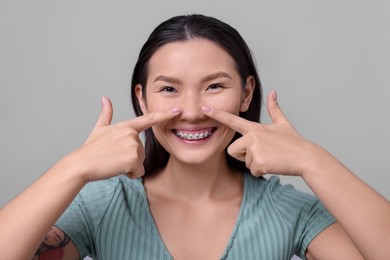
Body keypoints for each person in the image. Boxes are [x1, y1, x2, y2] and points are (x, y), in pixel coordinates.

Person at [0, 14, 389, 260]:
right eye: (169, 89)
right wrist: (74, 168)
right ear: (141, 96)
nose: (190, 110)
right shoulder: (101, 207)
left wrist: (312, 160)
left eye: (214, 86)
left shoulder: (291, 212)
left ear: (247, 93)